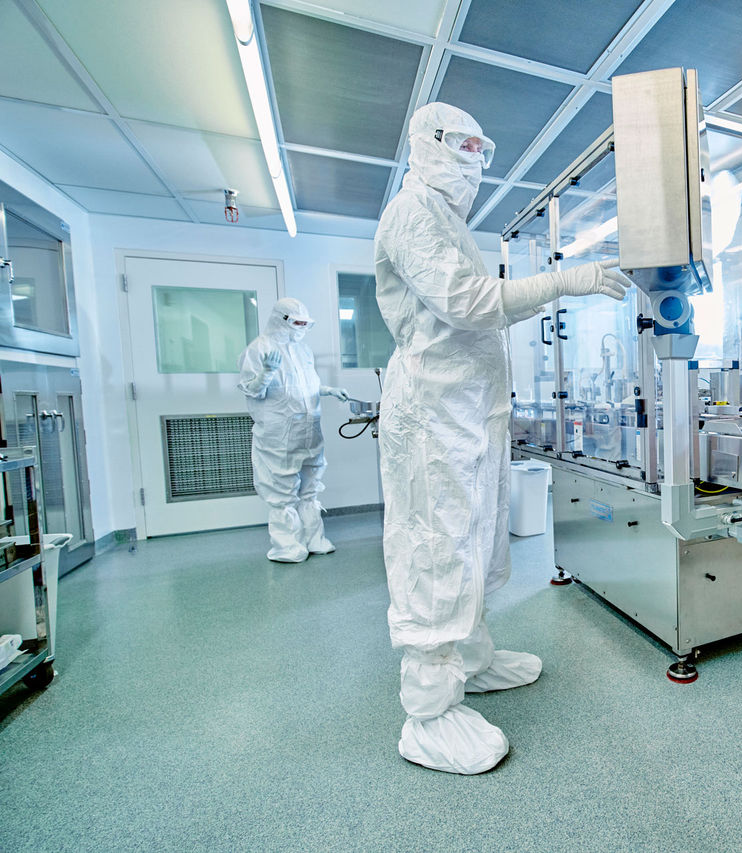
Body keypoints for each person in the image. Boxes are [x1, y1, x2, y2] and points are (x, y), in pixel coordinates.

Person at [374, 102, 633, 774]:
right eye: (464, 147)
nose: (476, 163)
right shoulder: (412, 213)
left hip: (467, 412)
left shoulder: (450, 222)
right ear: (429, 145)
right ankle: (427, 715)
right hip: (433, 416)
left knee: (476, 539)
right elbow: (467, 302)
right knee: (438, 548)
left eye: (481, 150)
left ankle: (471, 659)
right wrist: (562, 281)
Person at [237, 297, 349, 563]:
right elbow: (250, 390)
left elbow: (304, 385)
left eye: (304, 324)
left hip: (309, 430)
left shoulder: (302, 350)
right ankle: (287, 546)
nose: (300, 328)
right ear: (281, 319)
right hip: (279, 433)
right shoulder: (259, 349)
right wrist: (266, 372)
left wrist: (328, 390)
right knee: (282, 491)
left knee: (310, 487)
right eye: (296, 323)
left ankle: (314, 539)